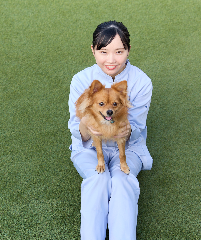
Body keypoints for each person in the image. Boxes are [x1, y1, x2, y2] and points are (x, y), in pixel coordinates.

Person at [68, 20, 153, 240]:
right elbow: (76, 129)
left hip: (128, 147)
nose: (111, 59)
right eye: (103, 51)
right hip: (89, 148)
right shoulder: (80, 80)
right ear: (93, 50)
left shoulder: (141, 81)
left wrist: (123, 131)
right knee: (99, 179)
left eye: (119, 51)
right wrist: (89, 125)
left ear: (128, 50)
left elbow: (136, 127)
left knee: (122, 182)